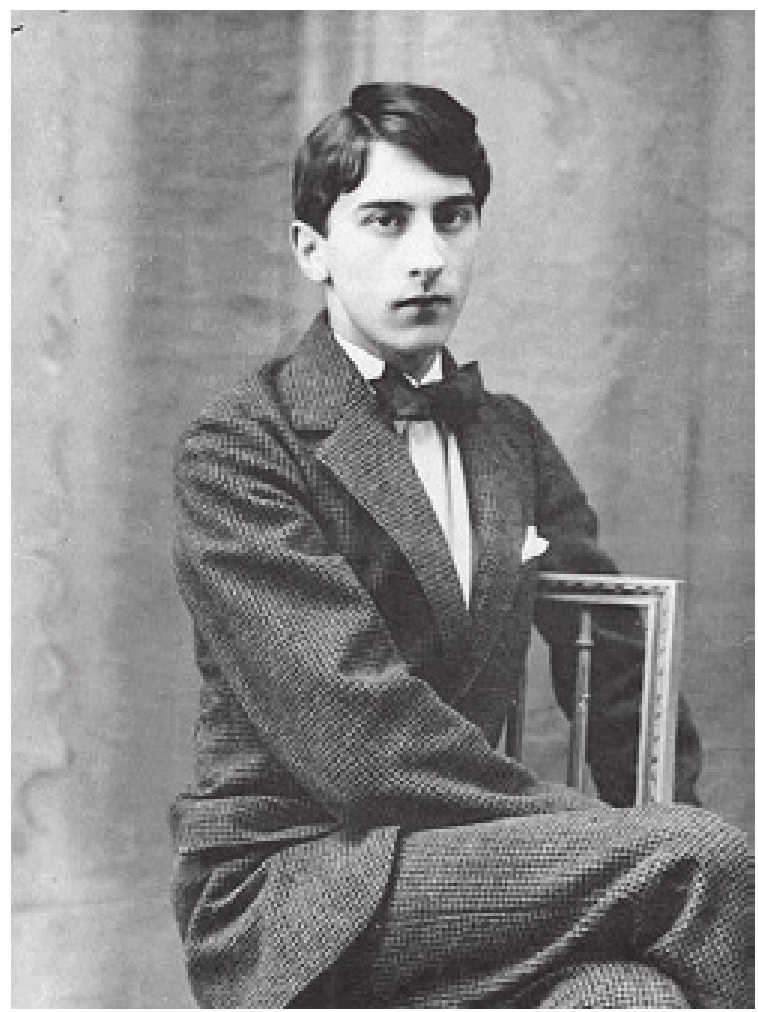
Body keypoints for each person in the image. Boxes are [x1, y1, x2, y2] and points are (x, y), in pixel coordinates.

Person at [169, 83, 748, 1008]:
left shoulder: (508, 439)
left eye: (454, 217)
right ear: (312, 249)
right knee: (702, 860)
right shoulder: (242, 446)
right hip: (302, 886)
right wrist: (618, 845)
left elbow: (620, 665)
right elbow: (360, 737)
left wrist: (649, 815)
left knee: (627, 997)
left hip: (477, 872)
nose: (428, 257)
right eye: (387, 221)